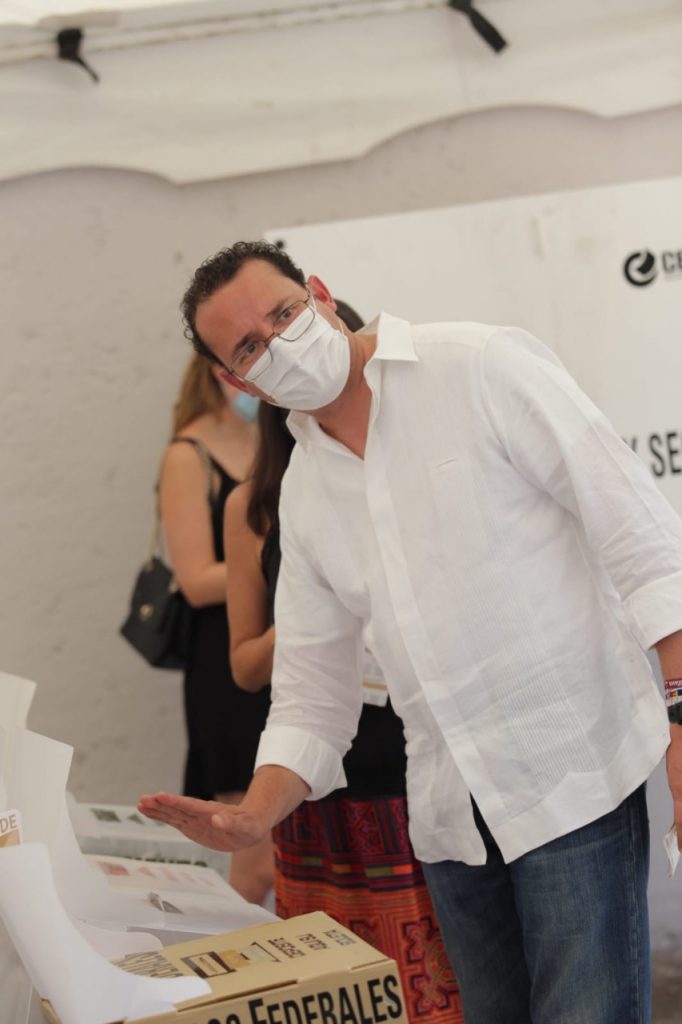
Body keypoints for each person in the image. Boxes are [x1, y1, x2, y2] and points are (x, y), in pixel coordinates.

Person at [141, 241, 682, 1024]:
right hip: (449, 821)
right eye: (250, 347)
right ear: (238, 380)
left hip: (571, 781)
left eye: (284, 313)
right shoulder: (306, 495)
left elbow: (645, 543)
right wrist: (253, 816)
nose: (279, 343)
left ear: (319, 293)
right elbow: (310, 697)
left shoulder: (478, 367)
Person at [223, 302, 461, 1022]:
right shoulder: (256, 506)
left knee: (446, 982)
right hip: (318, 776)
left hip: (414, 766)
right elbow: (245, 665)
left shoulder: (399, 471)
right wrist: (321, 614)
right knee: (337, 993)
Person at [158, 352, 272, 903]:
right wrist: (283, 565)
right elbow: (196, 578)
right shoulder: (189, 454)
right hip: (225, 663)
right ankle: (230, 952)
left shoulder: (272, 440)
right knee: (253, 856)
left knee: (282, 845)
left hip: (275, 647)